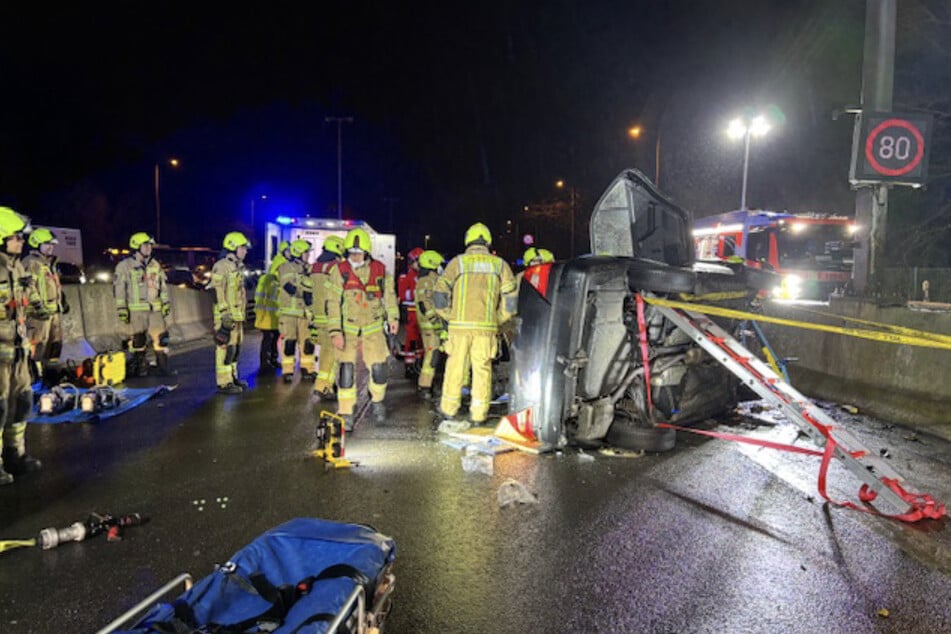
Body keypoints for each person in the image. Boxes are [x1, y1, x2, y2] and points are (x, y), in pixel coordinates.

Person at [434, 222, 517, 425]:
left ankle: (449, 411)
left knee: (455, 369)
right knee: (482, 371)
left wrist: (449, 315)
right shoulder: (500, 265)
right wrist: (496, 320)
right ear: (488, 242)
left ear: (468, 240)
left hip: (459, 328)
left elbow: (439, 293)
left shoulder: (457, 263)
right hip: (485, 330)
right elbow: (510, 300)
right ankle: (479, 415)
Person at [326, 227, 398, 430]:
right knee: (346, 371)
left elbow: (389, 296)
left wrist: (393, 318)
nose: (354, 256)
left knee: (379, 369)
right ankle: (346, 412)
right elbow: (332, 302)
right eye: (351, 252)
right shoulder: (339, 271)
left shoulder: (381, 270)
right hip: (347, 329)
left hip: (373, 328)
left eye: (358, 252)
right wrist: (335, 331)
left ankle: (377, 401)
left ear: (366, 252)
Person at [0, 207, 41, 484]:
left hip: (18, 351)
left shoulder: (19, 267)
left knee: (23, 402)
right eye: (17, 237)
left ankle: (15, 453)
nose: (21, 242)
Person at [113, 232, 174, 377]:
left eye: (150, 246)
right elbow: (119, 290)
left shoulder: (155, 265)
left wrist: (165, 304)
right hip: (136, 312)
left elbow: (162, 287)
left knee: (162, 340)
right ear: (136, 247)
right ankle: (140, 367)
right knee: (138, 340)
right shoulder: (125, 266)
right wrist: (122, 309)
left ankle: (163, 368)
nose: (149, 248)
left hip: (156, 310)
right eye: (146, 245)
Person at [23, 227, 69, 381]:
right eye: (47, 244)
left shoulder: (49, 263)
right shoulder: (31, 263)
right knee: (38, 347)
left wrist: (62, 299)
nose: (51, 247)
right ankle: (34, 379)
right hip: (38, 316)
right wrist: (38, 307)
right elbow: (29, 287)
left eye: (52, 244)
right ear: (36, 244)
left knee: (55, 345)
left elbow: (54, 285)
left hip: (53, 312)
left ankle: (51, 376)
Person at [211, 231, 251, 394]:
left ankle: (232, 377)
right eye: (243, 248)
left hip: (236, 316)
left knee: (235, 348)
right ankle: (224, 382)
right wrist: (224, 312)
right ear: (233, 248)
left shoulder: (237, 266)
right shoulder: (222, 266)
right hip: (226, 316)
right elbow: (216, 290)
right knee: (224, 348)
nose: (245, 251)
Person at [310, 235, 344, 401]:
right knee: (333, 355)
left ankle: (325, 384)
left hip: (318, 317)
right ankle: (324, 387)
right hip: (332, 317)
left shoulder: (314, 267)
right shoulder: (335, 268)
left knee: (325, 352)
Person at [277, 239, 315, 383]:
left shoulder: (310, 268)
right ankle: (288, 371)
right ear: (298, 253)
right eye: (306, 253)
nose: (308, 255)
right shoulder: (285, 267)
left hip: (305, 314)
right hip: (289, 314)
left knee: (308, 343)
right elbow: (289, 287)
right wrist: (305, 290)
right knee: (289, 343)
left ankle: (308, 369)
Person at [413, 249, 446, 400]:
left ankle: (428, 385)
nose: (441, 267)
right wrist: (435, 322)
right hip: (430, 326)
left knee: (435, 355)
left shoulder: (433, 280)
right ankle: (424, 386)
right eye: (439, 264)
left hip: (433, 325)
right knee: (432, 355)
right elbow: (424, 304)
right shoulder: (426, 281)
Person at [253, 241, 290, 370]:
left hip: (273, 314)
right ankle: (266, 363)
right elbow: (265, 298)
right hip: (268, 314)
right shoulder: (273, 275)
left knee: (274, 338)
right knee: (268, 339)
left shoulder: (275, 274)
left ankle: (272, 360)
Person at [397, 247, 424, 377]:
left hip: (421, 313)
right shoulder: (406, 276)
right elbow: (403, 294)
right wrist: (418, 294)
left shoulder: (424, 275)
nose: (419, 265)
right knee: (411, 340)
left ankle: (418, 363)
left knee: (421, 340)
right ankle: (409, 366)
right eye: (417, 262)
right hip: (411, 312)